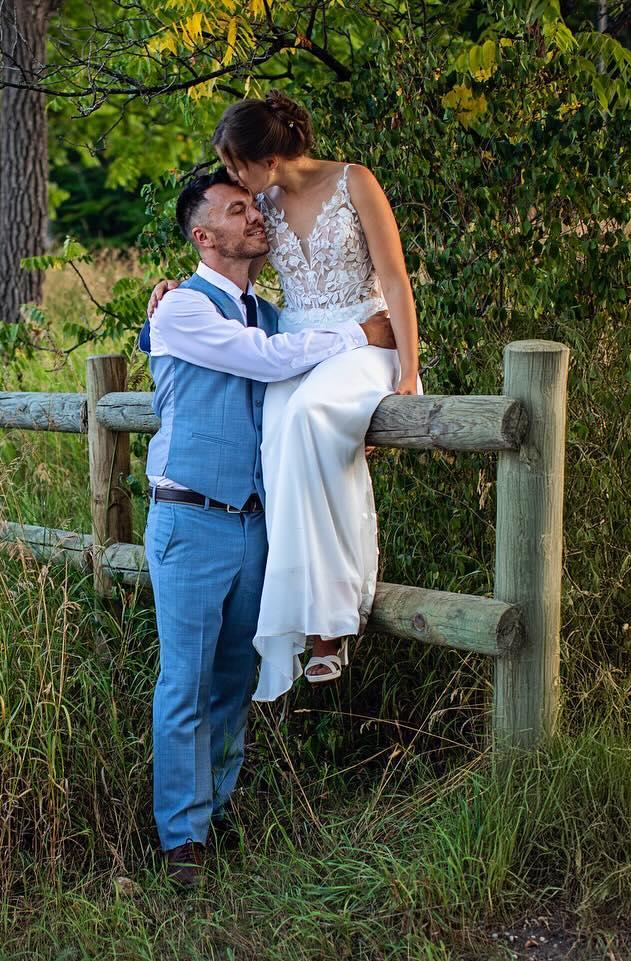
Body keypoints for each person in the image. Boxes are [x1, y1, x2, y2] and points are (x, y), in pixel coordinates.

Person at [140, 166, 395, 888]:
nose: (256, 217)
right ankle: (181, 840)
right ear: (203, 235)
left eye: (253, 205)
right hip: (189, 517)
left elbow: (299, 356)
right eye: (235, 209)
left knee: (229, 681)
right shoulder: (183, 310)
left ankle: (214, 815)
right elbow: (266, 361)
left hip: (252, 524)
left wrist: (362, 385)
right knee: (185, 681)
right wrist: (358, 333)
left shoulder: (270, 311)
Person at [149, 90, 422, 698]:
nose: (232, 177)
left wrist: (408, 371)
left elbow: (397, 278)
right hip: (299, 341)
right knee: (277, 444)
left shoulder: (356, 182)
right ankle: (299, 622)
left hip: (367, 340)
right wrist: (170, 285)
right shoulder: (261, 205)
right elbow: (216, 252)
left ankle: (332, 621)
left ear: (267, 159)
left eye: (237, 164)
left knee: (306, 416)